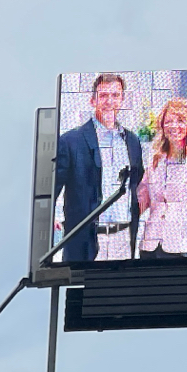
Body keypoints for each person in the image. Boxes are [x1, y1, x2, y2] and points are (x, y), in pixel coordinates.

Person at [54, 73, 143, 262]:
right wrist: (50, 216)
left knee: (119, 292)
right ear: (92, 100)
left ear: (122, 99)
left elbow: (137, 185)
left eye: (115, 95)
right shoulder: (71, 141)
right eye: (103, 96)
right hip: (86, 241)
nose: (109, 101)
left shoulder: (132, 141)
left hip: (123, 238)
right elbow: (53, 187)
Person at [139, 98, 187, 257]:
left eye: (180, 121)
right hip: (151, 243)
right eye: (168, 121)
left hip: (181, 245)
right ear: (162, 126)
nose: (174, 126)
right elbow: (143, 198)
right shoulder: (156, 160)